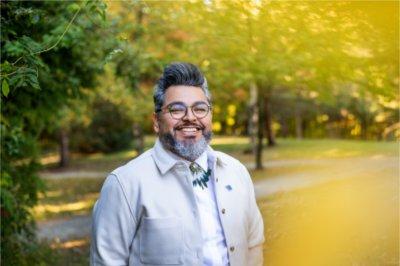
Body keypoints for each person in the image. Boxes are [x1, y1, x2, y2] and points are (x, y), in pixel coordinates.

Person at [90, 62, 264, 266]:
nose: (190, 117)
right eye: (176, 110)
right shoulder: (125, 184)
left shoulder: (237, 172)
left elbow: (254, 244)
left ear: (210, 115)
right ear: (156, 121)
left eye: (200, 109)